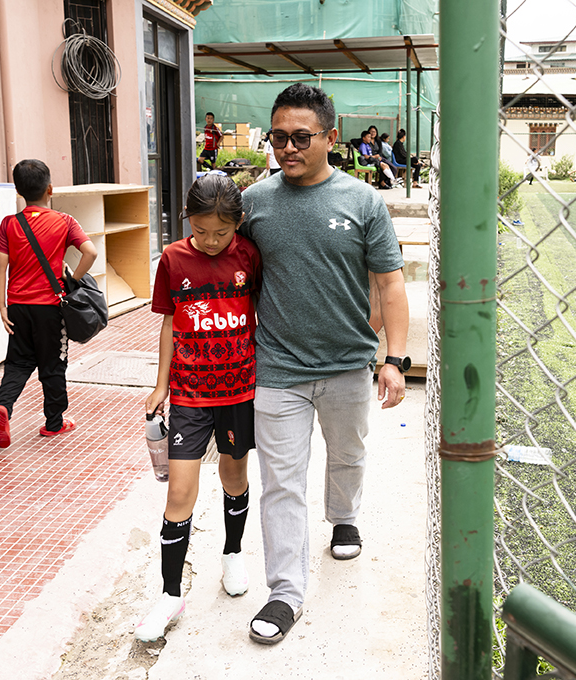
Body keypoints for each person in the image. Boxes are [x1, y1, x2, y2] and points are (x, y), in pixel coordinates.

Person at [240, 83, 409, 645]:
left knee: (348, 455)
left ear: (330, 137)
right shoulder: (254, 203)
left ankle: (344, 517)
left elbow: (390, 284)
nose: (288, 148)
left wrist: (393, 359)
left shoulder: (363, 202)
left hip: (346, 366)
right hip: (278, 368)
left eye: (301, 137)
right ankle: (285, 592)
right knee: (280, 483)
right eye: (278, 137)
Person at [135, 172, 262, 641]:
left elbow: (262, 310)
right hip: (189, 393)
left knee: (234, 477)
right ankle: (170, 594)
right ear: (187, 219)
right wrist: (160, 385)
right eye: (201, 230)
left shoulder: (249, 254)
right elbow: (169, 323)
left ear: (238, 223)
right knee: (178, 494)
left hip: (239, 390)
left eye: (221, 232)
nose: (210, 241)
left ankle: (233, 554)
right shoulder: (173, 259)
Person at [0, 159, 98, 448]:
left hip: (18, 307)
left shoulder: (9, 224)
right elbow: (90, 252)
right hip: (50, 307)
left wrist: (2, 306)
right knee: (53, 364)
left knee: (17, 363)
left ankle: (2, 407)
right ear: (50, 189)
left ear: (18, 191)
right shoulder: (65, 221)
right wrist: (73, 278)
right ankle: (54, 423)